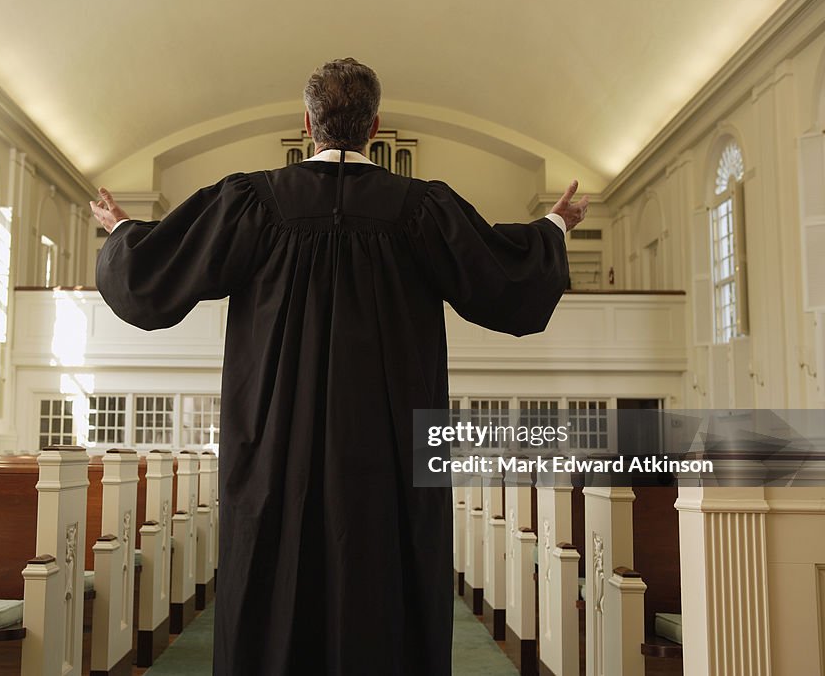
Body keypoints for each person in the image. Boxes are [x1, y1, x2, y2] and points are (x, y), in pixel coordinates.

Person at [91, 57, 588, 676]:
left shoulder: (253, 202)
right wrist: (553, 226)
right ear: (374, 126)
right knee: (385, 572)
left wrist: (120, 234)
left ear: (307, 123)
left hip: (277, 449)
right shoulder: (421, 210)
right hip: (385, 453)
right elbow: (502, 275)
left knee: (274, 569)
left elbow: (155, 272)